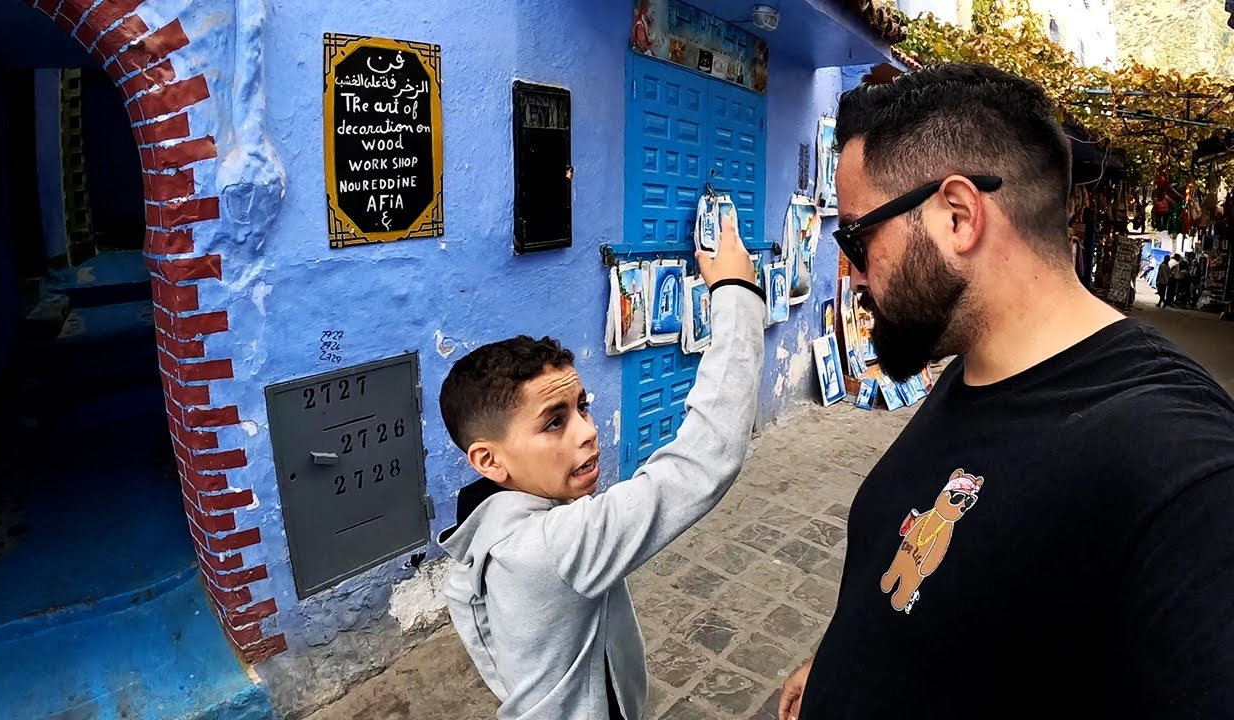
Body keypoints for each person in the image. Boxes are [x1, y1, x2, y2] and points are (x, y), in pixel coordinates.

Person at [779, 63, 1234, 720]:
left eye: (856, 235)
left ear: (959, 216)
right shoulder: (977, 366)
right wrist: (842, 657)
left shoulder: (1187, 476)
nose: (848, 273)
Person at [436, 217, 764, 720]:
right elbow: (704, 460)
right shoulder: (552, 546)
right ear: (489, 460)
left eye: (582, 407)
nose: (587, 431)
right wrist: (737, 292)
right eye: (553, 423)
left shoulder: (479, 531)